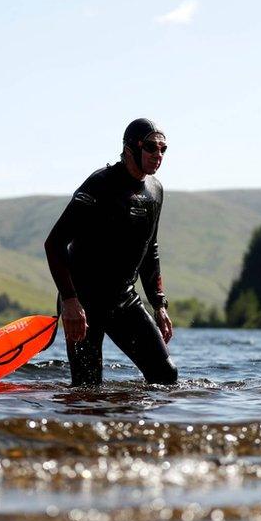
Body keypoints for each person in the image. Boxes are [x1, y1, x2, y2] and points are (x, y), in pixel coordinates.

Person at [44, 118, 178, 386]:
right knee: (87, 389)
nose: (158, 155)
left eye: (163, 149)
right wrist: (70, 301)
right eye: (151, 147)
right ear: (130, 148)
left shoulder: (155, 190)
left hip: (124, 301)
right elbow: (55, 243)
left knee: (166, 376)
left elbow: (150, 249)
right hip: (85, 302)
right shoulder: (100, 184)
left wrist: (159, 305)